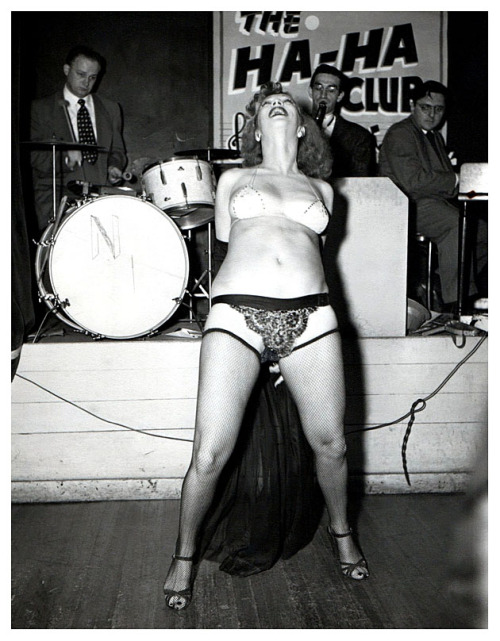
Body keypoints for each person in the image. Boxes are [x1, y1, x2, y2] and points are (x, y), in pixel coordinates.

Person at [163, 81, 369, 612]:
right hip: (238, 314)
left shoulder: (325, 192)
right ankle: (183, 554)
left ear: (304, 125)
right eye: (264, 107)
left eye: (285, 104)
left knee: (333, 445)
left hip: (312, 317)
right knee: (209, 454)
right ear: (255, 127)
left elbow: (317, 253)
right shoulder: (233, 178)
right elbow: (231, 239)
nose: (275, 106)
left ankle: (341, 531)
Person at [379, 80, 487, 309]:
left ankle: (440, 280)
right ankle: (455, 301)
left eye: (438, 109)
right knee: (457, 225)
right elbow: (414, 182)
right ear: (412, 105)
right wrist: (456, 179)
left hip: (431, 203)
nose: (431, 114)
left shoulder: (434, 136)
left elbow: (439, 180)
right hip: (407, 205)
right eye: (425, 107)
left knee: (485, 234)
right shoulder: (400, 133)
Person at [30, 45, 127, 231]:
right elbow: (34, 157)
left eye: (92, 77)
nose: (86, 83)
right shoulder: (40, 110)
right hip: (56, 202)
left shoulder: (111, 108)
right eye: (81, 74)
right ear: (67, 70)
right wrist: (66, 159)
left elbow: (118, 151)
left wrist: (114, 166)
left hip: (99, 201)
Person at [308, 64, 376, 178]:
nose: (323, 95)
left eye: (331, 90)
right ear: (310, 91)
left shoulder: (359, 137)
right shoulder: (293, 128)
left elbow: (359, 183)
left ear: (340, 96)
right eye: (318, 88)